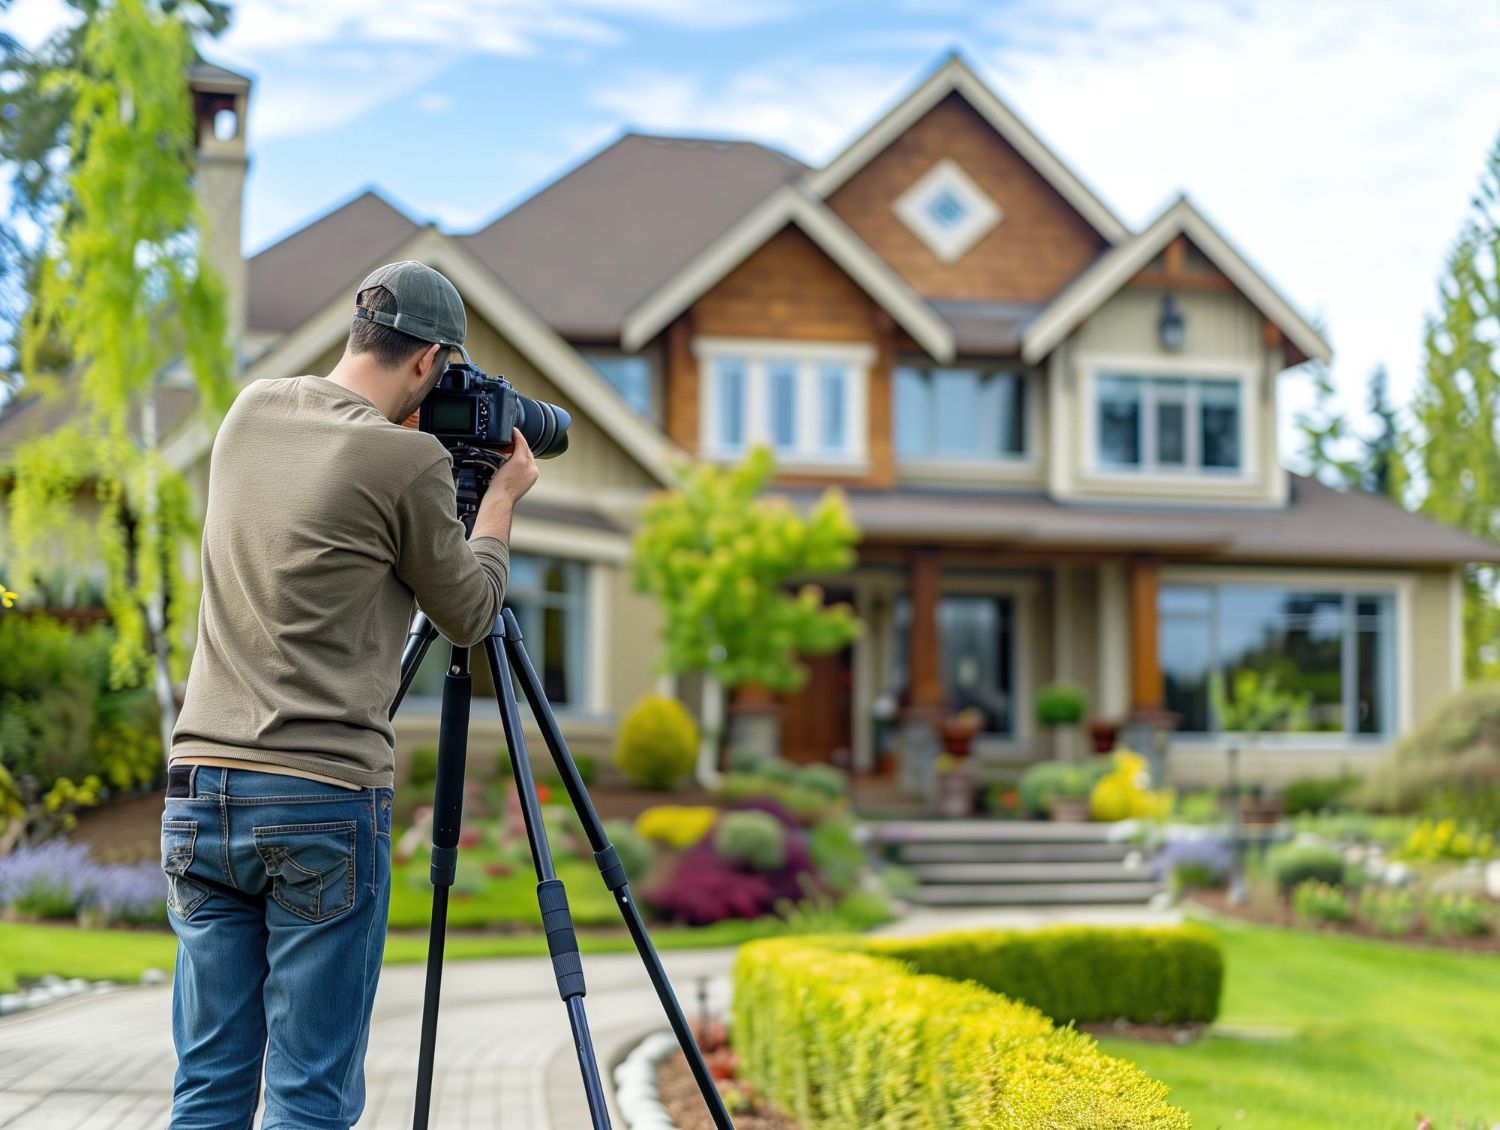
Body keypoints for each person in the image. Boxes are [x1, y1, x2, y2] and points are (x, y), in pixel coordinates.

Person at [161, 261, 536, 1129]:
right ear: (429, 361)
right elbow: (472, 614)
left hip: (199, 789)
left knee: (209, 1084)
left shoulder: (249, 411)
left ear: (359, 332)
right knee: (309, 1092)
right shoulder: (404, 460)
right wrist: (500, 501)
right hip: (318, 797)